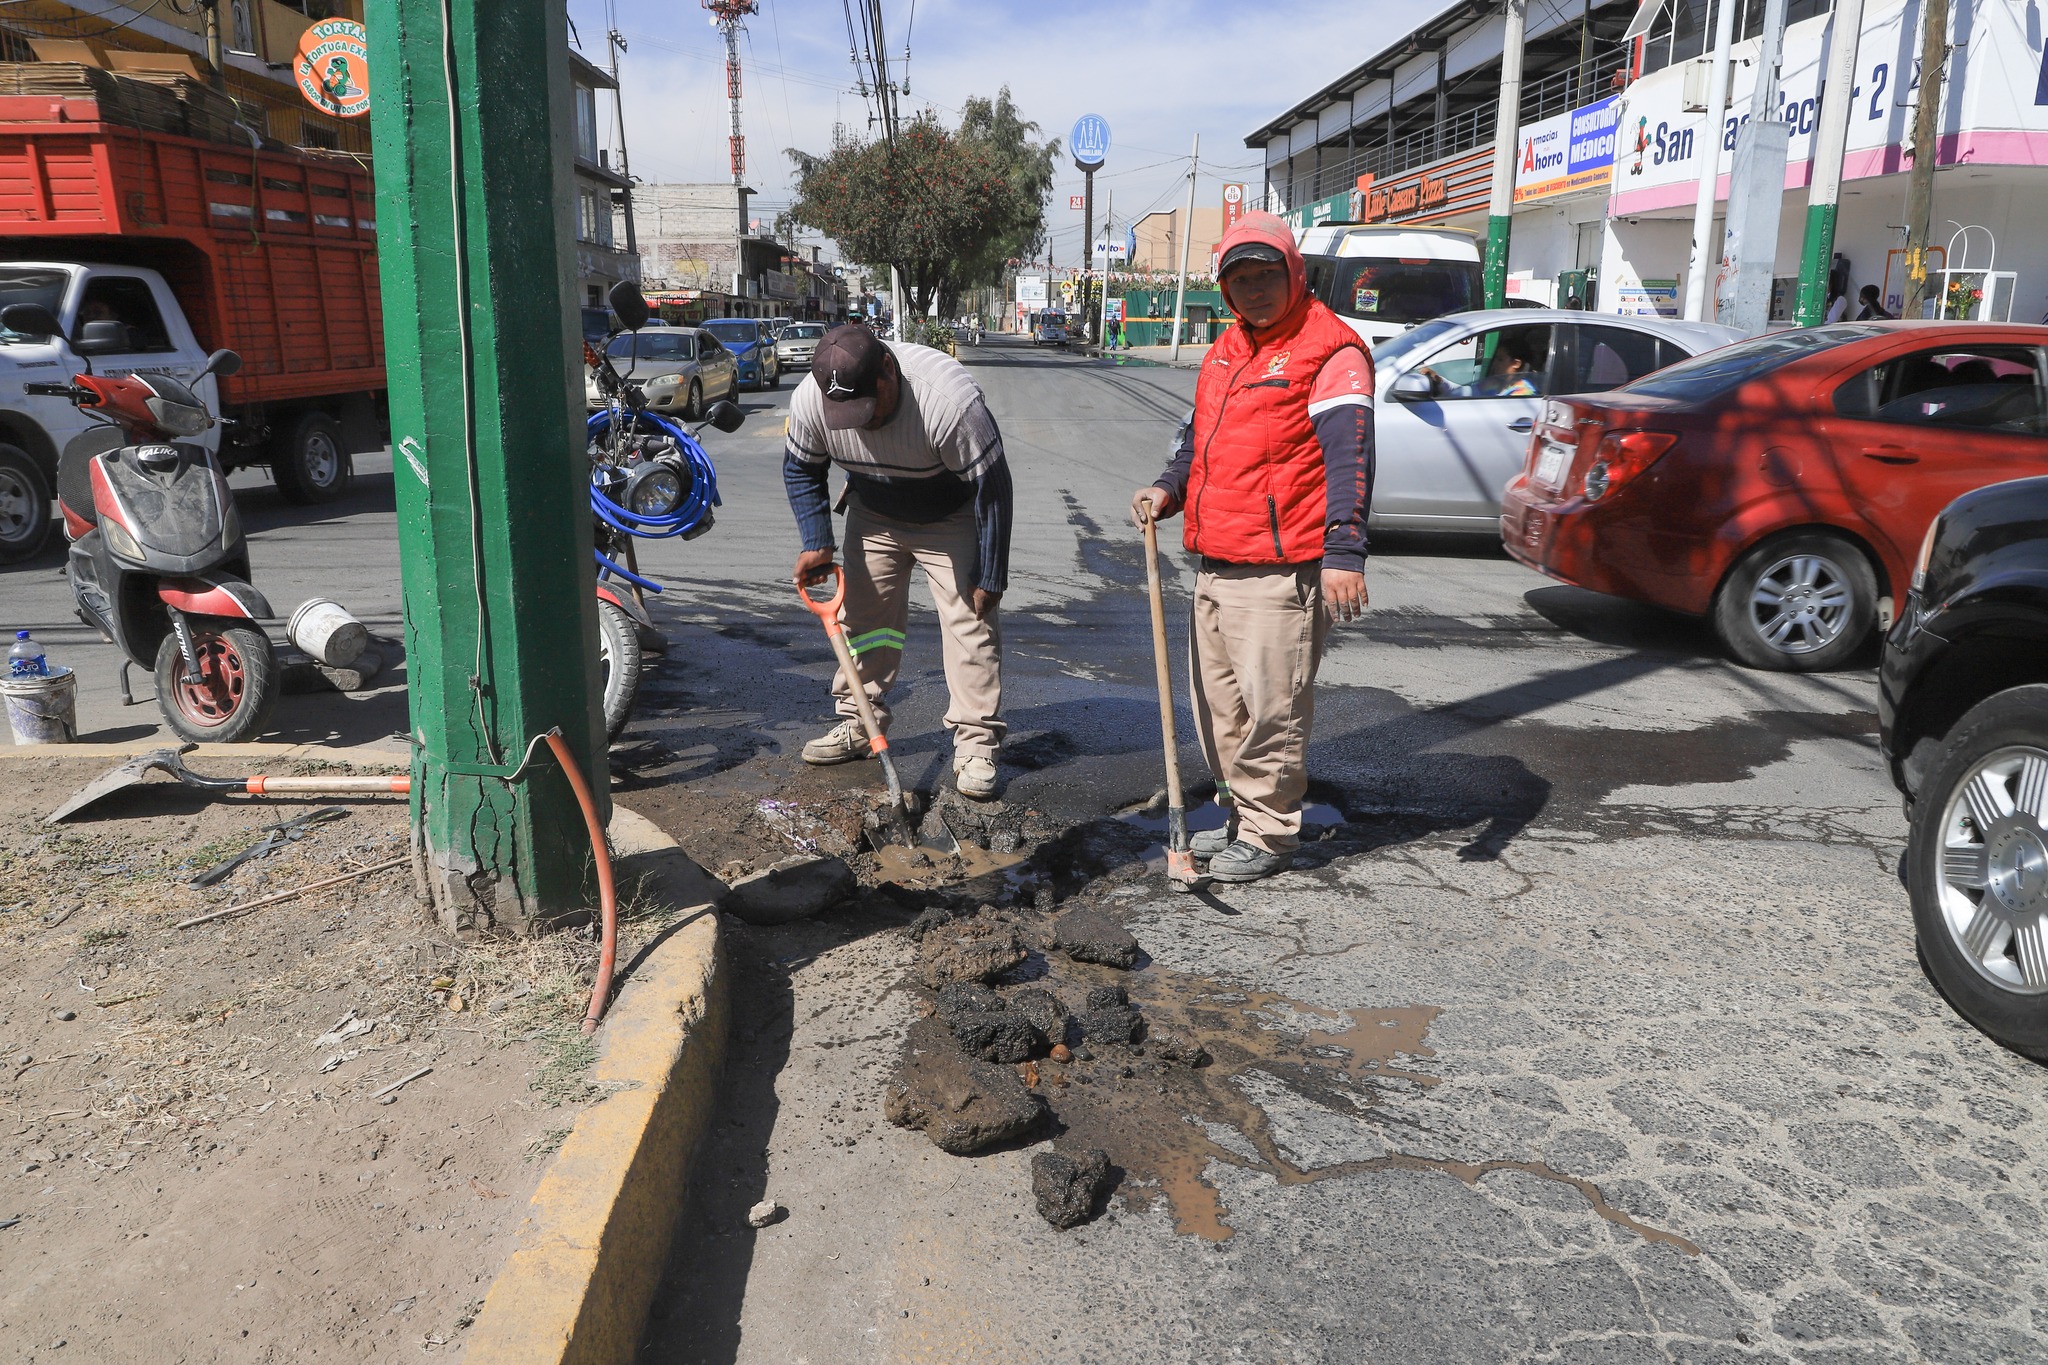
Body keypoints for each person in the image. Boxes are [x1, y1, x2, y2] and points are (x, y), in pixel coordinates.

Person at [1129, 210, 1373, 884]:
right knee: (1219, 711)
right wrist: (1165, 491)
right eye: (1242, 279)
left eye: (1269, 275)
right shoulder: (1228, 350)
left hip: (1280, 570)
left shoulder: (1331, 351)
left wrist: (1345, 552)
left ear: (1295, 273)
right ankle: (1241, 817)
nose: (1256, 289)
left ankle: (1269, 835)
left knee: (1274, 710)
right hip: (1216, 562)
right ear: (1226, 288)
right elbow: (1197, 443)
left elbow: (1351, 456)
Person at [784, 324, 1013, 799]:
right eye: (845, 413)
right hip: (873, 512)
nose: (859, 422)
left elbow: (993, 489)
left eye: (865, 408)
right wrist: (816, 539)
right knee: (865, 621)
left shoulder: (948, 403)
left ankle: (976, 743)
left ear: (888, 371)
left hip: (949, 515)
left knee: (970, 625)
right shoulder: (811, 399)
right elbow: (802, 467)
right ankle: (858, 720)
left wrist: (990, 574)